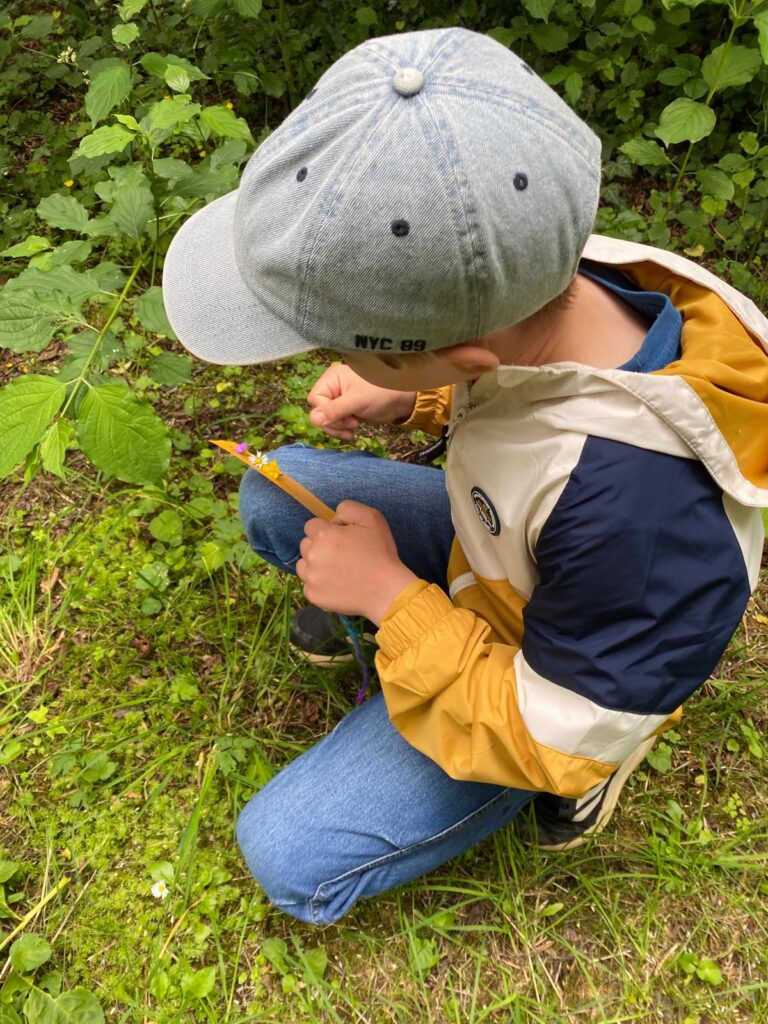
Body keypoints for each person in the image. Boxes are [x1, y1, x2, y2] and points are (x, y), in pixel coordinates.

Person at [162, 27, 768, 926]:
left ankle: (573, 790)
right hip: (505, 551)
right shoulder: (535, 253)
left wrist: (392, 601)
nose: (330, 363)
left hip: (547, 688)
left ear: (463, 350)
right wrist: (414, 395)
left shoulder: (642, 514)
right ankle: (403, 631)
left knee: (286, 852)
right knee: (275, 488)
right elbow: (533, 390)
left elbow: (554, 729)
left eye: (342, 346)